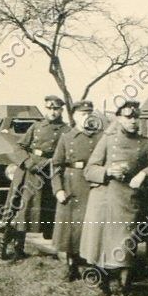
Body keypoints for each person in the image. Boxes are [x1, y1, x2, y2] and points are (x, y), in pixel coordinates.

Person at [80, 100, 148, 296]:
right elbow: (89, 170)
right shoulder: (107, 140)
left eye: (136, 117)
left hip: (127, 200)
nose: (133, 121)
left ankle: (125, 290)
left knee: (125, 244)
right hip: (103, 199)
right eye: (128, 117)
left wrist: (144, 174)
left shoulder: (146, 143)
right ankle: (102, 286)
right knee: (100, 244)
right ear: (119, 118)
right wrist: (107, 171)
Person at [0, 95, 69, 260]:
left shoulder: (67, 131)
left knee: (37, 212)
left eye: (56, 109)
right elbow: (19, 147)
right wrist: (28, 162)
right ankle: (7, 245)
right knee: (19, 209)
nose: (52, 112)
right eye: (49, 108)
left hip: (49, 174)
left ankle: (58, 249)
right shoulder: (36, 127)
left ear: (61, 110)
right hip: (28, 172)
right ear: (45, 109)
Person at [50, 101, 104, 281]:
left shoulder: (101, 137)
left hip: (94, 186)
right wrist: (58, 189)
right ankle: (71, 266)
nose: (86, 116)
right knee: (71, 230)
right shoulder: (66, 137)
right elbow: (56, 166)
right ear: (74, 116)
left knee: (91, 227)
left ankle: (91, 266)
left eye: (89, 113)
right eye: (82, 114)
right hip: (72, 184)